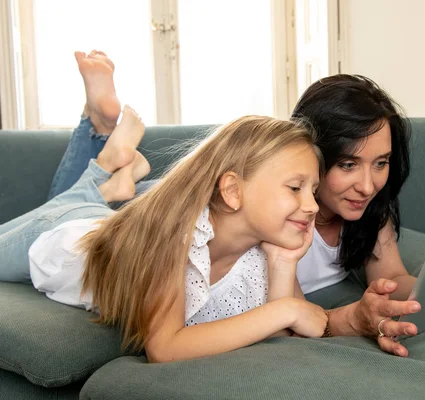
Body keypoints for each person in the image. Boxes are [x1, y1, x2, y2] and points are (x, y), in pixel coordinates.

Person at [48, 51, 425, 357]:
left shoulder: (293, 237)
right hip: (83, 235)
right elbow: (176, 340)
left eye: (380, 164)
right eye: (347, 165)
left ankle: (113, 174)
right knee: (69, 208)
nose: (367, 184)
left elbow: (369, 289)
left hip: (128, 232)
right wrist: (295, 312)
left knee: (91, 209)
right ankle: (101, 150)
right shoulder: (243, 218)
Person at [0, 101, 329, 361]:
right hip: (61, 235)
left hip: (110, 227)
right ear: (232, 191)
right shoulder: (175, 237)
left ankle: (110, 183)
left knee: (93, 208)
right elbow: (165, 348)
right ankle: (99, 181)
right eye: (295, 188)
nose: (313, 205)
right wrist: (285, 309)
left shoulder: (264, 248)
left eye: (313, 190)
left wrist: (284, 264)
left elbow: (280, 340)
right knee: (58, 210)